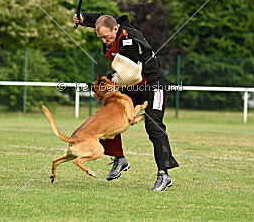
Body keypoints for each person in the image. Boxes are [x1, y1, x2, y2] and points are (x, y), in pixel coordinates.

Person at [74, 13, 179, 192]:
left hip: (153, 84)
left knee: (154, 126)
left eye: (107, 37)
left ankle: (164, 174)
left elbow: (129, 74)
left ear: (116, 29)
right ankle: (119, 158)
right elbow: (102, 18)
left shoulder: (130, 40)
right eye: (101, 38)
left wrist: (106, 82)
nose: (105, 41)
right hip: (133, 85)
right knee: (108, 114)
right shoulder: (111, 28)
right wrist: (85, 19)